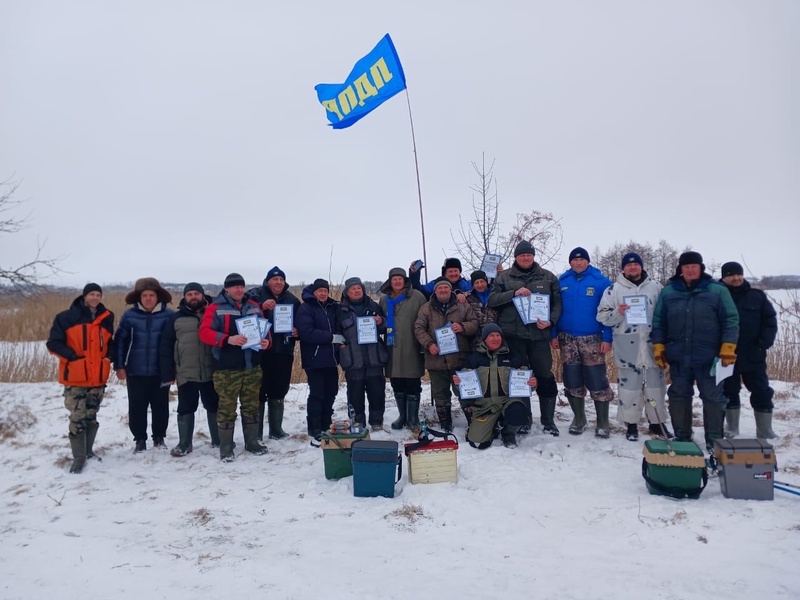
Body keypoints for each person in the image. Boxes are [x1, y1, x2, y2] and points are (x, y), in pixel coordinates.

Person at [651, 251, 739, 451]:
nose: (690, 269)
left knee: (713, 397)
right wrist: (658, 345)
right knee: (679, 395)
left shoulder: (717, 290)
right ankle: (682, 436)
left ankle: (714, 439)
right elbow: (658, 322)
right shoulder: (669, 292)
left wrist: (728, 346)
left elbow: (731, 320)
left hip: (710, 356)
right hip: (679, 356)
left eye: (694, 266)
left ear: (701, 268)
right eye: (686, 266)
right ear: (680, 269)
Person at [488, 241, 562, 435]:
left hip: (539, 337)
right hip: (514, 337)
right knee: (519, 378)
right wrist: (514, 293)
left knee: (545, 377)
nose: (526, 258)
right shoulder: (503, 278)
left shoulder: (548, 277)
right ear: (516, 257)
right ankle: (524, 419)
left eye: (529, 255)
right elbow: (492, 301)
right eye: (522, 255)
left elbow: (557, 304)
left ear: (533, 256)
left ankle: (548, 421)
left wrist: (551, 322)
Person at [596, 253, 672, 441]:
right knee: (629, 389)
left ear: (641, 267)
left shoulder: (656, 287)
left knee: (656, 388)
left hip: (652, 345)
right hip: (627, 347)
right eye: (628, 265)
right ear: (623, 268)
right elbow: (602, 317)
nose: (632, 268)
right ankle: (631, 425)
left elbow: (666, 314)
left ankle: (657, 423)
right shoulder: (613, 290)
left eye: (636, 264)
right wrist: (618, 313)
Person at [199, 273, 271, 461]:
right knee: (227, 407)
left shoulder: (253, 306)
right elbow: (204, 333)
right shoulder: (215, 308)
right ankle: (226, 447)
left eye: (242, 286)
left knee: (251, 405)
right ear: (226, 289)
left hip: (251, 366)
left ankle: (252, 442)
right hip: (226, 369)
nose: (239, 290)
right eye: (235, 287)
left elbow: (265, 330)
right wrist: (227, 339)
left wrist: (266, 342)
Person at [46, 283, 115, 473]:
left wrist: (109, 357)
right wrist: (73, 358)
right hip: (76, 377)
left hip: (97, 377)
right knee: (77, 417)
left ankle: (88, 451)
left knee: (92, 415)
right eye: (91, 294)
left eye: (98, 294)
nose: (95, 297)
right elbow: (53, 343)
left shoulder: (106, 317)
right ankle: (78, 459)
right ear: (84, 296)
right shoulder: (66, 317)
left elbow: (111, 343)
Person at [552, 247, 615, 437]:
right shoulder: (562, 282)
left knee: (597, 380)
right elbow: (553, 309)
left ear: (587, 261)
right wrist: (553, 334)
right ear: (570, 262)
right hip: (567, 339)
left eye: (582, 260)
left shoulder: (601, 282)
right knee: (572, 379)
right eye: (574, 260)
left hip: (593, 338)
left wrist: (607, 337)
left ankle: (602, 422)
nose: (578, 263)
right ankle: (579, 418)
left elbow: (609, 311)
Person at [114, 277, 174, 453]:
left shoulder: (169, 315)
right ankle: (140, 439)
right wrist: (119, 366)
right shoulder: (130, 316)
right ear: (139, 297)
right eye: (145, 295)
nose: (148, 298)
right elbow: (120, 343)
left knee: (161, 406)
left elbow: (175, 344)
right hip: (135, 370)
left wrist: (174, 369)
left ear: (158, 297)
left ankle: (159, 438)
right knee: (137, 406)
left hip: (160, 371)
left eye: (152, 295)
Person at [159, 282, 220, 456]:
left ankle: (218, 440)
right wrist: (168, 373)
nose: (193, 297)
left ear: (203, 295)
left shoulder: (214, 314)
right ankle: (185, 443)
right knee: (186, 408)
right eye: (189, 294)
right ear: (185, 297)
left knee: (214, 405)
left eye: (196, 294)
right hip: (186, 372)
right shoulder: (176, 318)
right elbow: (166, 346)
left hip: (211, 371)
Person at [719, 261, 778, 439]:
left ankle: (765, 430)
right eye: (731, 275)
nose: (736, 278)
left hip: (754, 354)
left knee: (761, 391)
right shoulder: (717, 296)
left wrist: (763, 343)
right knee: (729, 391)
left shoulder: (757, 296)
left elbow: (770, 320)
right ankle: (732, 428)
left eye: (739, 274)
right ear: (723, 277)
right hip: (726, 355)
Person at [452, 324, 536, 449]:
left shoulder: (514, 356)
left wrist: (533, 384)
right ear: (484, 339)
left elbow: (526, 383)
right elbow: (462, 390)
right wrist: (458, 384)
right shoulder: (474, 359)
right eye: (491, 335)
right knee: (478, 443)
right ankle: (492, 428)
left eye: (498, 335)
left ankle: (508, 433)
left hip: (507, 402)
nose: (495, 338)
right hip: (485, 407)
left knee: (519, 412)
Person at [414, 279, 479, 432]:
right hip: (436, 359)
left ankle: (472, 420)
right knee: (440, 393)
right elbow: (418, 328)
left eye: (446, 287)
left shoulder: (463, 305)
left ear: (450, 290)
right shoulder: (426, 308)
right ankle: (445, 423)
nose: (443, 290)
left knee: (464, 390)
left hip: (460, 358)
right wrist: (429, 344)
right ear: (435, 291)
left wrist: (462, 327)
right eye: (440, 288)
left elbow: (474, 324)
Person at [246, 266, 301, 440]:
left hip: (284, 351)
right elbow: (244, 316)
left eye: (281, 279)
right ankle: (257, 432)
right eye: (274, 279)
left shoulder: (292, 299)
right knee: (260, 391)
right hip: (261, 352)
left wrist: (297, 331)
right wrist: (261, 307)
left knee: (279, 390)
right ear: (267, 281)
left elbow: (301, 321)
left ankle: (276, 429)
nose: (278, 282)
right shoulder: (255, 295)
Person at [336, 277, 388, 431]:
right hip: (353, 359)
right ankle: (357, 422)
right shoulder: (340, 310)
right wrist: (340, 346)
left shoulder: (373, 306)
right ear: (347, 292)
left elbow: (385, 328)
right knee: (355, 394)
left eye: (359, 288)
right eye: (353, 289)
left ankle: (377, 421)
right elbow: (336, 332)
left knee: (377, 392)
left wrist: (381, 322)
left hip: (374, 358)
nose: (356, 291)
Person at [378, 267, 427, 431]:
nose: (397, 282)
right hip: (392, 346)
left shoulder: (417, 297)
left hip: (412, 344)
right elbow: (382, 323)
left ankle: (413, 419)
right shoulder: (384, 300)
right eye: (394, 279)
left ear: (405, 280)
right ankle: (402, 416)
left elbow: (425, 318)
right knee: (397, 383)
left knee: (412, 382)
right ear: (390, 282)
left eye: (400, 279)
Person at [295, 278, 341, 443]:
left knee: (331, 391)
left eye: (325, 291)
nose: (323, 293)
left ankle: (326, 423)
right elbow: (306, 332)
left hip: (331, 358)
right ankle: (314, 426)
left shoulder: (332, 307)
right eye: (320, 291)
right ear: (313, 292)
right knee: (317, 393)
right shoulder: (306, 308)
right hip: (314, 359)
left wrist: (341, 342)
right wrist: (331, 337)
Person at [464, 270, 498, 348]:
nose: (480, 285)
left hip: (495, 337)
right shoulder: (468, 297)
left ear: (486, 281)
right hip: (476, 340)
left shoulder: (495, 294)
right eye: (476, 282)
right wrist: (458, 294)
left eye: (482, 281)